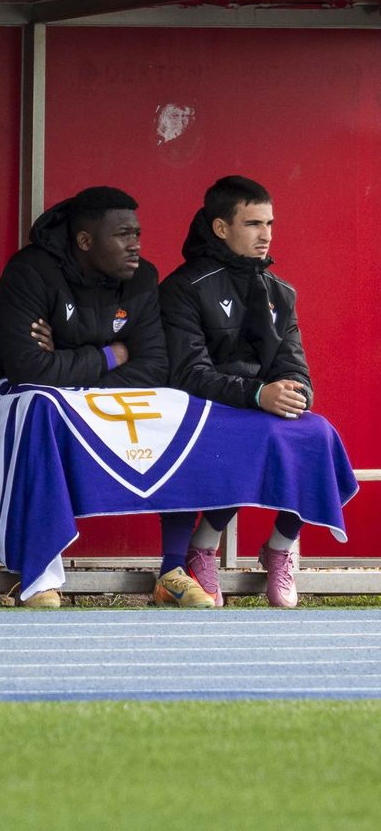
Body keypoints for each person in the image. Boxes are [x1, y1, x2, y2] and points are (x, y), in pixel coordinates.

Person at [0, 185, 196, 608]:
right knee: (41, 405)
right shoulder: (31, 271)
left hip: (86, 396)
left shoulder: (143, 276)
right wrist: (112, 353)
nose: (136, 245)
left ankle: (173, 568)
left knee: (179, 405)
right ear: (85, 240)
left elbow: (155, 367)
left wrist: (70, 363)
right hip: (8, 399)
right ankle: (40, 574)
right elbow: (28, 370)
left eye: (137, 233)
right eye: (123, 235)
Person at [159, 176, 313, 607]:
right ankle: (203, 546)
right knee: (252, 436)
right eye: (253, 224)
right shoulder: (182, 288)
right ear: (221, 228)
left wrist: (293, 394)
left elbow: (297, 368)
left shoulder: (281, 292)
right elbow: (188, 374)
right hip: (207, 411)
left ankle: (280, 548)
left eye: (270, 224)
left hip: (261, 405)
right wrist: (259, 394)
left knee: (317, 436)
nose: (266, 235)